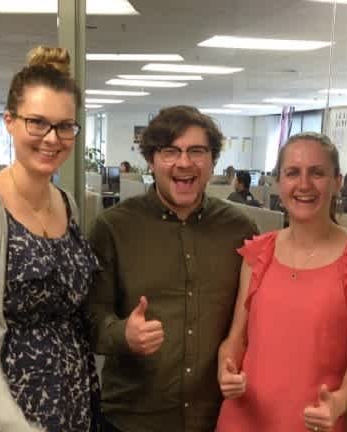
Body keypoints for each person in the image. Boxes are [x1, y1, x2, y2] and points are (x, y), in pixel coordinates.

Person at [0, 46, 99, 432]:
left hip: (72, 391)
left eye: (65, 126)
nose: (52, 138)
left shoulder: (66, 203)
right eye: (37, 123)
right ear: (9, 122)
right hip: (8, 404)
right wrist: (12, 424)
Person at [87, 105, 258, 432]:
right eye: (170, 151)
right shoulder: (113, 228)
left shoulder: (241, 230)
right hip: (132, 419)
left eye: (197, 151)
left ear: (212, 161)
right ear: (151, 162)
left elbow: (254, 318)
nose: (184, 162)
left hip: (217, 418)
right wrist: (123, 334)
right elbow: (90, 318)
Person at [216, 132, 347, 432]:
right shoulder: (258, 253)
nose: (304, 184)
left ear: (337, 182)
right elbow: (236, 340)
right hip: (242, 419)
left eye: (317, 173)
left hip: (315, 421)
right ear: (279, 182)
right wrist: (226, 367)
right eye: (292, 173)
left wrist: (339, 402)